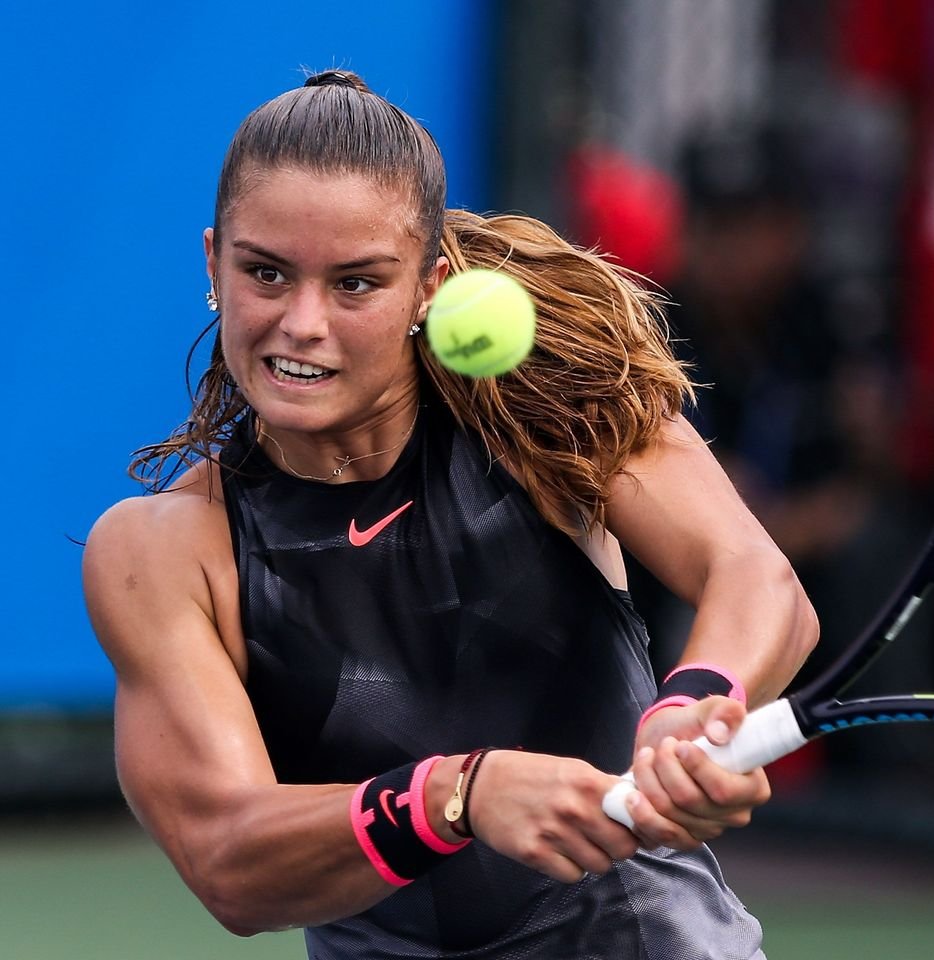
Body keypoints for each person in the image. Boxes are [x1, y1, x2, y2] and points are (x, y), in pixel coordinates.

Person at [81, 70, 817, 959]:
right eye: (266, 273)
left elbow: (757, 577)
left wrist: (696, 704)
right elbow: (229, 861)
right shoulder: (162, 551)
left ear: (428, 286)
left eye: (356, 284)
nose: (302, 322)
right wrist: (454, 796)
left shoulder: (546, 405)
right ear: (213, 264)